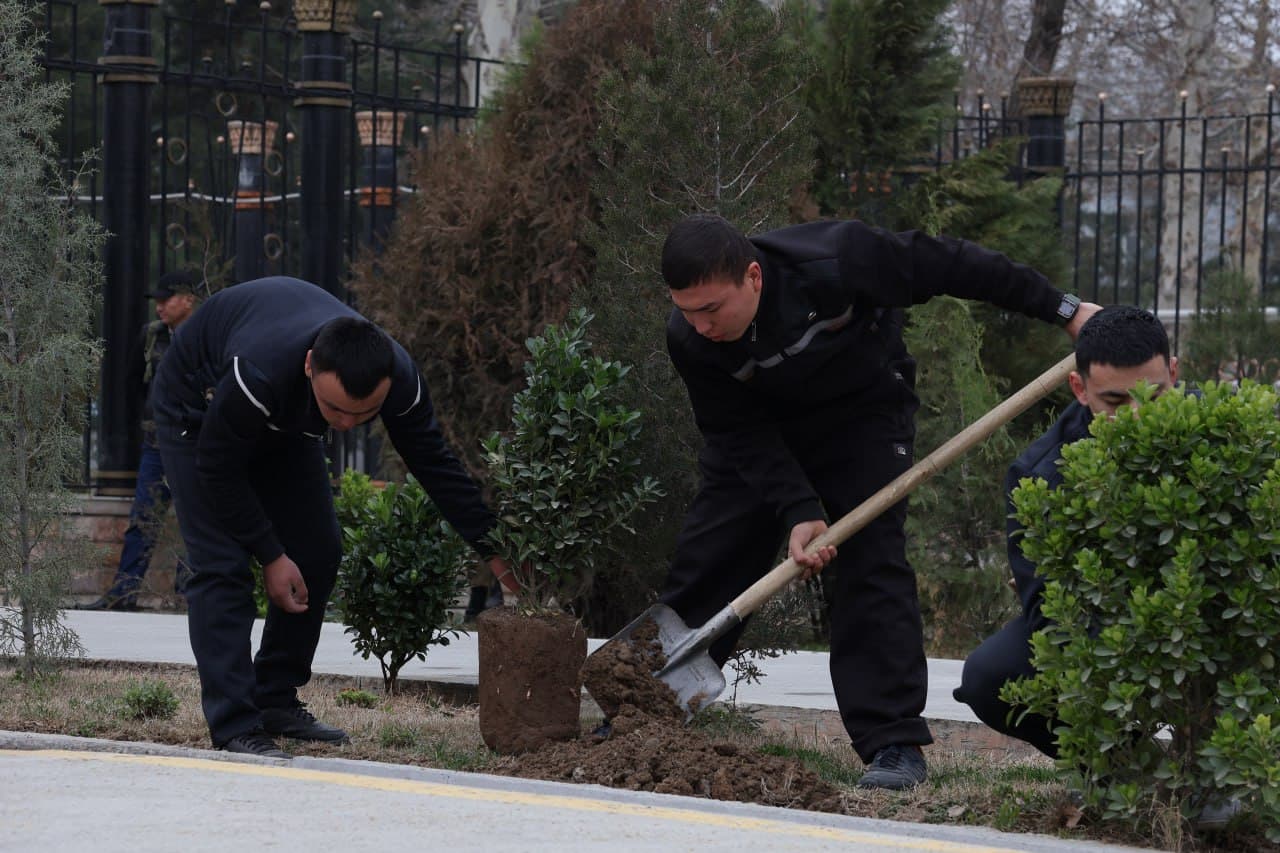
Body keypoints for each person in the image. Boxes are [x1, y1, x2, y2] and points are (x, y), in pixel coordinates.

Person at [657, 213, 1101, 789]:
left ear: (754, 277)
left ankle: (893, 743)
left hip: (861, 416)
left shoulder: (839, 261)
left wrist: (1066, 311)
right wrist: (798, 508)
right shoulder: (688, 336)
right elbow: (736, 433)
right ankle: (650, 707)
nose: (701, 325)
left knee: (871, 561)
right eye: (688, 310)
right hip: (763, 432)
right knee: (711, 553)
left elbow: (955, 264)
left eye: (712, 309)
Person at [150, 276, 517, 759]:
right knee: (222, 567)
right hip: (199, 408)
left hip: (284, 414)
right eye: (335, 409)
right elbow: (219, 471)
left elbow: (436, 467)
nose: (345, 424)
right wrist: (270, 554)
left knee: (318, 551)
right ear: (310, 366)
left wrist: (496, 551)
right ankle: (236, 726)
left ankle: (275, 700)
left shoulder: (398, 378)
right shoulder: (257, 371)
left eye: (362, 415)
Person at [953, 306, 1178, 757]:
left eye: (1154, 397)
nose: (1137, 417)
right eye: (1115, 402)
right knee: (989, 677)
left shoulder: (1224, 443)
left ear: (1174, 373)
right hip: (1104, 631)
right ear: (1079, 388)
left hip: (1202, 621)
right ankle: (1125, 765)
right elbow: (1050, 616)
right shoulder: (1040, 475)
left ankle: (1229, 771)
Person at [80, 270, 200, 611]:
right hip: (158, 444)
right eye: (157, 300)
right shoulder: (151, 336)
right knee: (144, 519)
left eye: (167, 299)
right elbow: (134, 384)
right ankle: (124, 593)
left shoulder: (207, 334)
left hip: (194, 445)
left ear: (188, 299)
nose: (159, 306)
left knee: (194, 521)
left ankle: (187, 598)